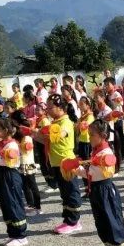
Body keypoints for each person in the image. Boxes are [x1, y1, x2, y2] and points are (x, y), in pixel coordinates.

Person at [78, 121, 124, 246]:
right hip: (96, 190)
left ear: (103, 136)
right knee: (102, 224)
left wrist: (78, 169)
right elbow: (91, 171)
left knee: (112, 223)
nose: (89, 137)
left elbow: (97, 173)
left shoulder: (106, 153)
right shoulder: (96, 151)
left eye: (92, 134)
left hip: (105, 189)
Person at [0, 116, 28, 246]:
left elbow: (6, 161)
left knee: (13, 203)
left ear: (5, 130)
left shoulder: (12, 144)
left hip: (10, 174)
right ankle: (12, 233)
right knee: (6, 204)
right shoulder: (0, 143)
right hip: (1, 174)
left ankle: (21, 236)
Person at [43, 94, 82, 235]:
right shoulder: (55, 122)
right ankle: (68, 219)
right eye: (46, 107)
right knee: (64, 193)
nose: (47, 109)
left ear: (60, 108)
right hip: (56, 162)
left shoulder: (65, 122)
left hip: (66, 162)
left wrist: (48, 133)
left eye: (50, 107)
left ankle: (74, 221)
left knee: (71, 191)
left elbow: (62, 134)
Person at [12, 110, 41, 216]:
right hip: (22, 162)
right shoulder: (20, 134)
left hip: (27, 163)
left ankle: (37, 207)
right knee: (25, 185)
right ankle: (30, 204)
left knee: (32, 185)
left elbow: (28, 148)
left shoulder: (26, 135)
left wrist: (18, 146)